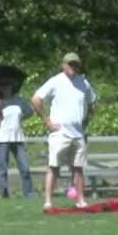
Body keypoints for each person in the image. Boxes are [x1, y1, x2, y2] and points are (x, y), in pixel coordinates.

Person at [32, 52, 98, 209]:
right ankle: (48, 201)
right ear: (63, 65)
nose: (72, 67)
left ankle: (80, 200)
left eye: (75, 64)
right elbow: (36, 99)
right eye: (70, 64)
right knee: (54, 167)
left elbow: (92, 102)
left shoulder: (83, 82)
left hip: (78, 133)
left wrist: (86, 120)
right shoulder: (55, 81)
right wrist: (47, 121)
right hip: (60, 133)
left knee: (78, 168)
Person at [0, 77, 34, 198]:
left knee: (24, 167)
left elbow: (30, 112)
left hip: (18, 137)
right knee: (3, 167)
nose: (6, 88)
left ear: (12, 87)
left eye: (8, 85)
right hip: (2, 137)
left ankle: (29, 193)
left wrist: (21, 119)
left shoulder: (20, 101)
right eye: (3, 86)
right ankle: (4, 193)